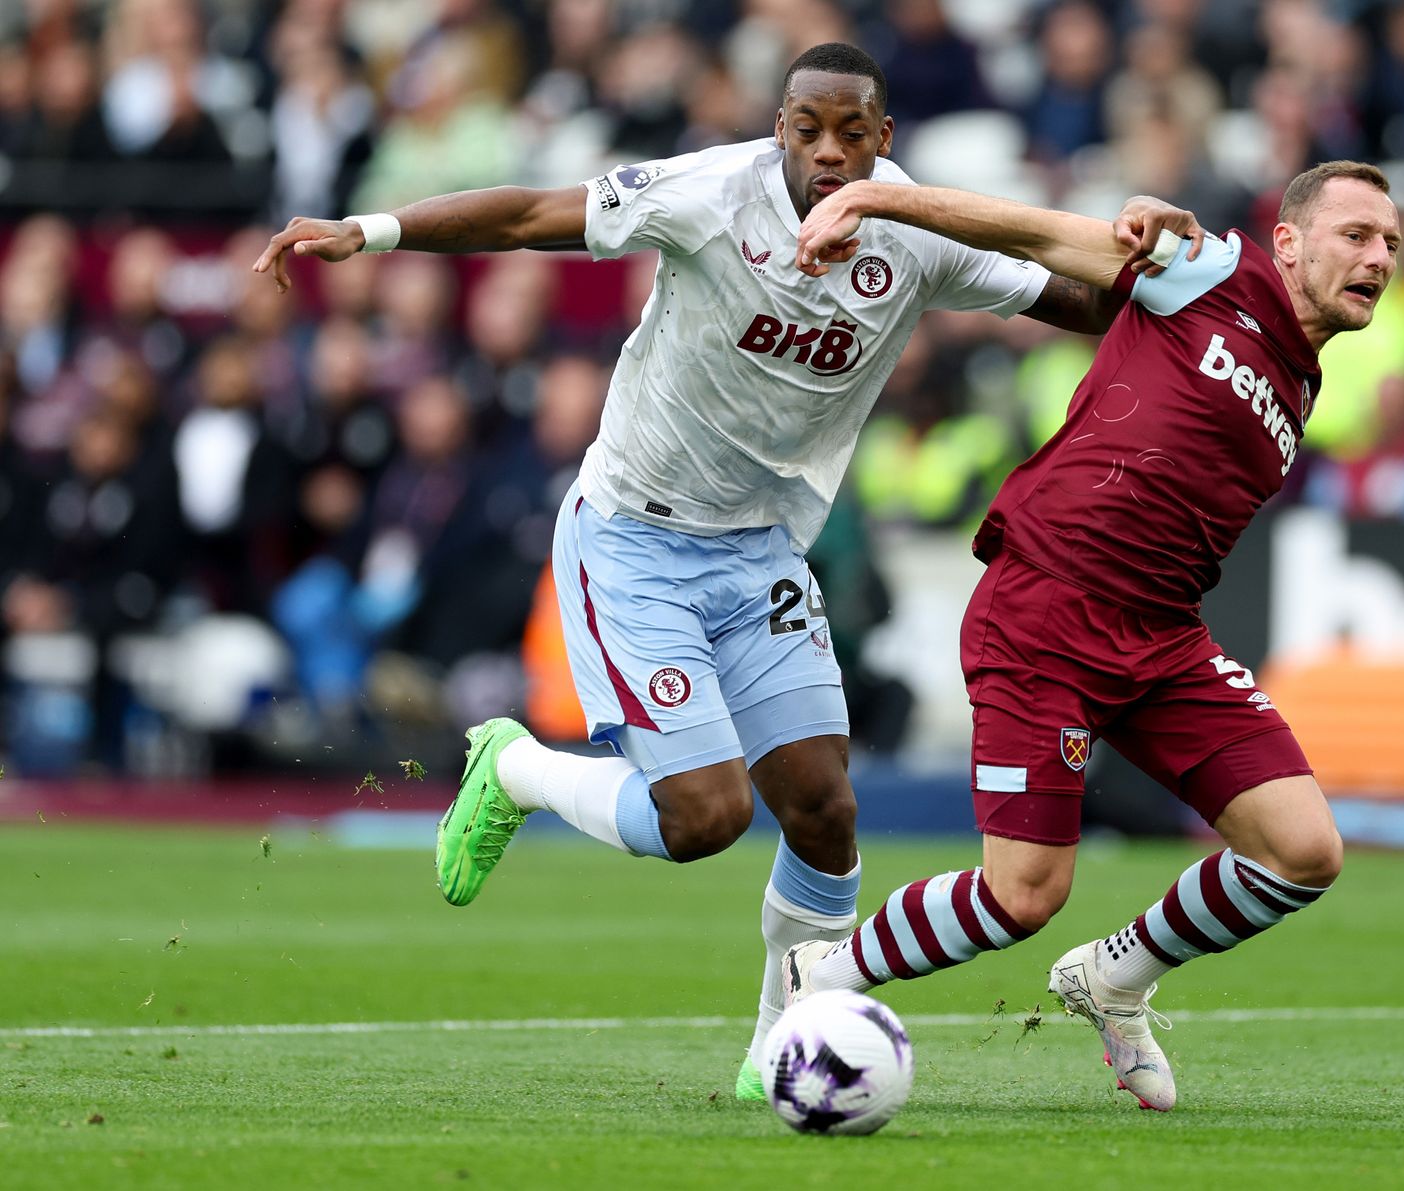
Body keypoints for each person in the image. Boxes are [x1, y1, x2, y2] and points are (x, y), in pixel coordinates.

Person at [250, 42, 1200, 1102]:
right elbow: (528, 217)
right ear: (780, 126)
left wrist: (1171, 258)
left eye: (853, 133)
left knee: (824, 810)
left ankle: (778, 1048)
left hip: (762, 553)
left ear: (884, 139)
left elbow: (1081, 306)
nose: (829, 153)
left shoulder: (920, 231)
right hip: (634, 537)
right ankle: (515, 769)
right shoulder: (710, 193)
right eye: (808, 129)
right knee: (702, 819)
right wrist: (369, 231)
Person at [781, 158, 1401, 1111]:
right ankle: (825, 975)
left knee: (1303, 849)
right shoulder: (1207, 267)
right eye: (1357, 235)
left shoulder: (1303, 376)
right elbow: (1027, 231)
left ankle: (1114, 978)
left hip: (1160, 637)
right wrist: (873, 197)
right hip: (1047, 611)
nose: (1379, 257)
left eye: (1391, 243)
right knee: (1023, 894)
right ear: (1288, 240)